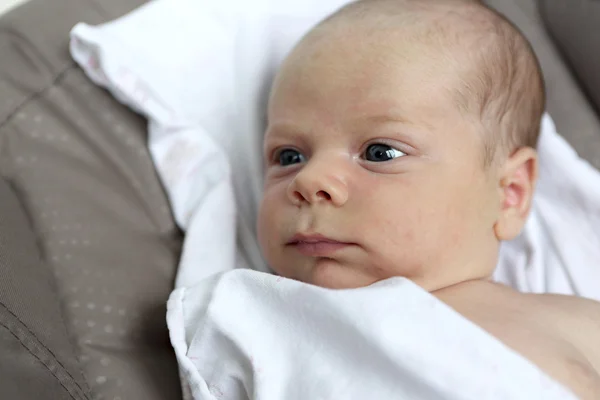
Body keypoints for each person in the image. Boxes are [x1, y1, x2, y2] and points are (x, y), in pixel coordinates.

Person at [257, 0, 600, 398]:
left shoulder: (575, 324)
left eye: (380, 153)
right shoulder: (266, 328)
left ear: (509, 194)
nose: (308, 179)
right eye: (289, 157)